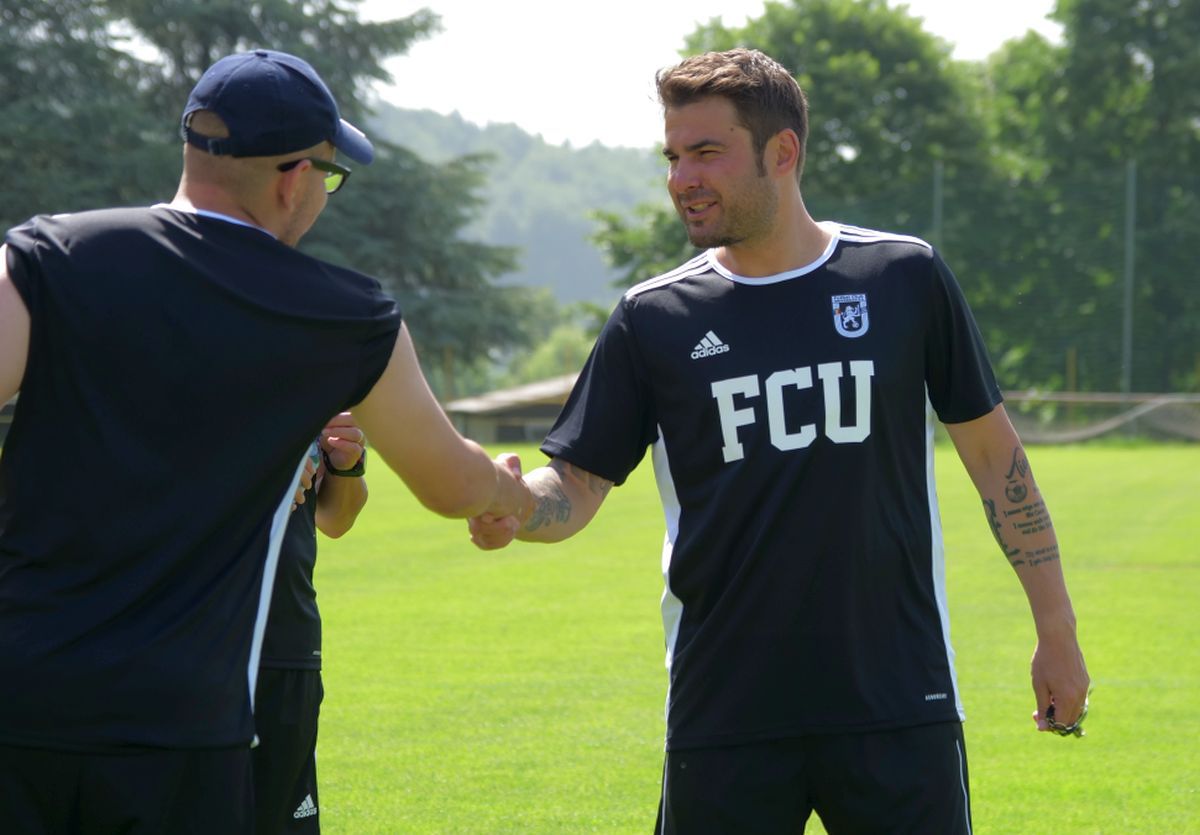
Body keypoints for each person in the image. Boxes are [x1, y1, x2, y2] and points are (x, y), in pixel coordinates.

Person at [469, 48, 1090, 834]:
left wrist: (1057, 633)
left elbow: (998, 462)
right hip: (725, 707)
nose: (681, 177)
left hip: (897, 700)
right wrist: (516, 505)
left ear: (783, 153)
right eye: (672, 155)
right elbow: (579, 483)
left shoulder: (902, 276)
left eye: (705, 152)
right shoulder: (653, 317)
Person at [0, 48, 530, 834]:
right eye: (328, 176)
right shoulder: (343, 317)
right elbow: (449, 481)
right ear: (293, 178)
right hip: (181, 730)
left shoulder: (47, 254)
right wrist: (508, 490)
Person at [254, 412, 368, 835]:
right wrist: (252, 466)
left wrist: (346, 465)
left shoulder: (309, 364)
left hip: (288, 644)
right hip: (190, 641)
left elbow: (336, 517)